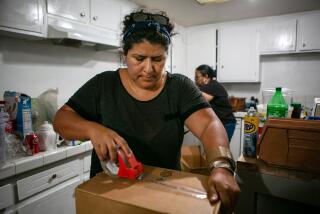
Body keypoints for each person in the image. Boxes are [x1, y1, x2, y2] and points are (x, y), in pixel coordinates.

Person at [53, 10, 240, 214]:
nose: (148, 69)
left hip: (163, 197)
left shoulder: (179, 87)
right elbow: (61, 119)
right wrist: (93, 129)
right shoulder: (104, 84)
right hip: (109, 195)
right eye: (139, 58)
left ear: (167, 56)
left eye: (157, 59)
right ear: (124, 56)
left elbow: (208, 124)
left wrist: (221, 165)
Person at [195, 65, 236, 142]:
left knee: (221, 149)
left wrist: (191, 88)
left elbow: (202, 99)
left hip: (225, 124)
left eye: (197, 77)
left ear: (206, 76)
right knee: (220, 150)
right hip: (220, 123)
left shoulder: (212, 85)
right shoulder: (208, 86)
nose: (196, 79)